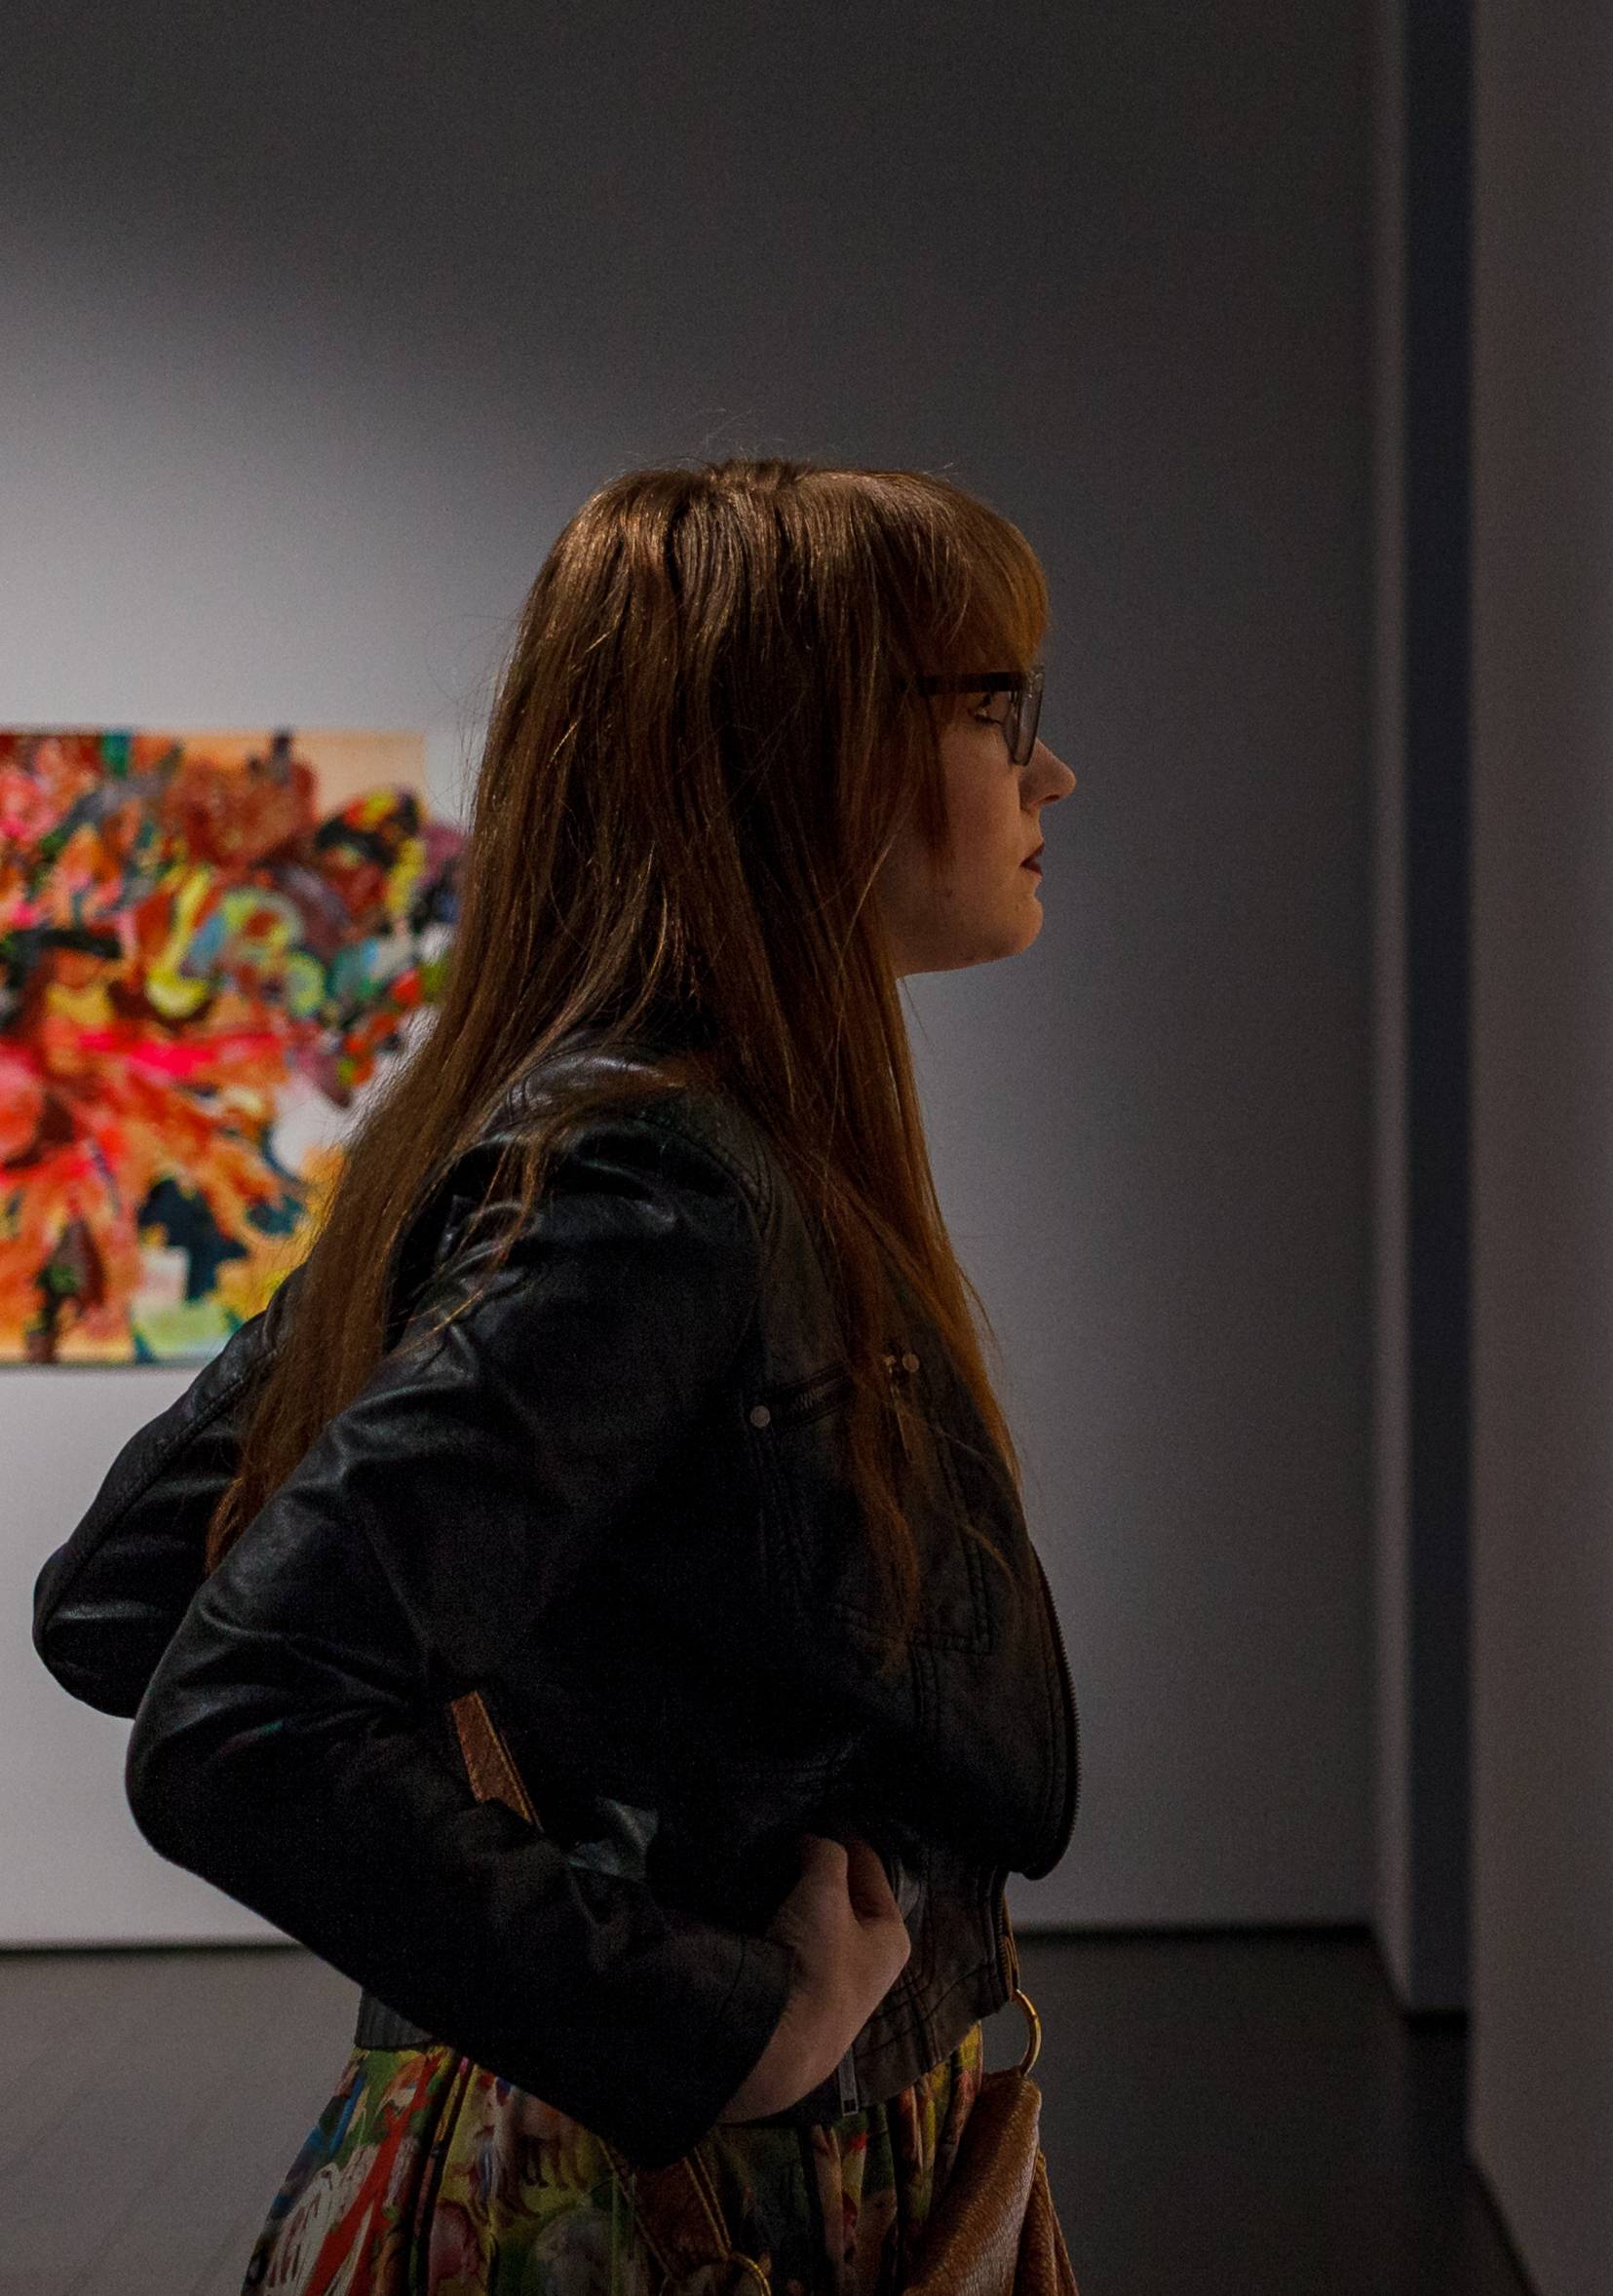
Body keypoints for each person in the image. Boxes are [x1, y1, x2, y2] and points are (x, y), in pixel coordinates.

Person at [31, 460, 1083, 2293]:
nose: (1047, 772)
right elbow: (224, 1709)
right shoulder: (656, 1182)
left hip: (580, 2164)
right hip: (649, 2209)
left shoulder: (576, 1135)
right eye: (1000, 708)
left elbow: (122, 1597)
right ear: (814, 752)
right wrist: (705, 2023)